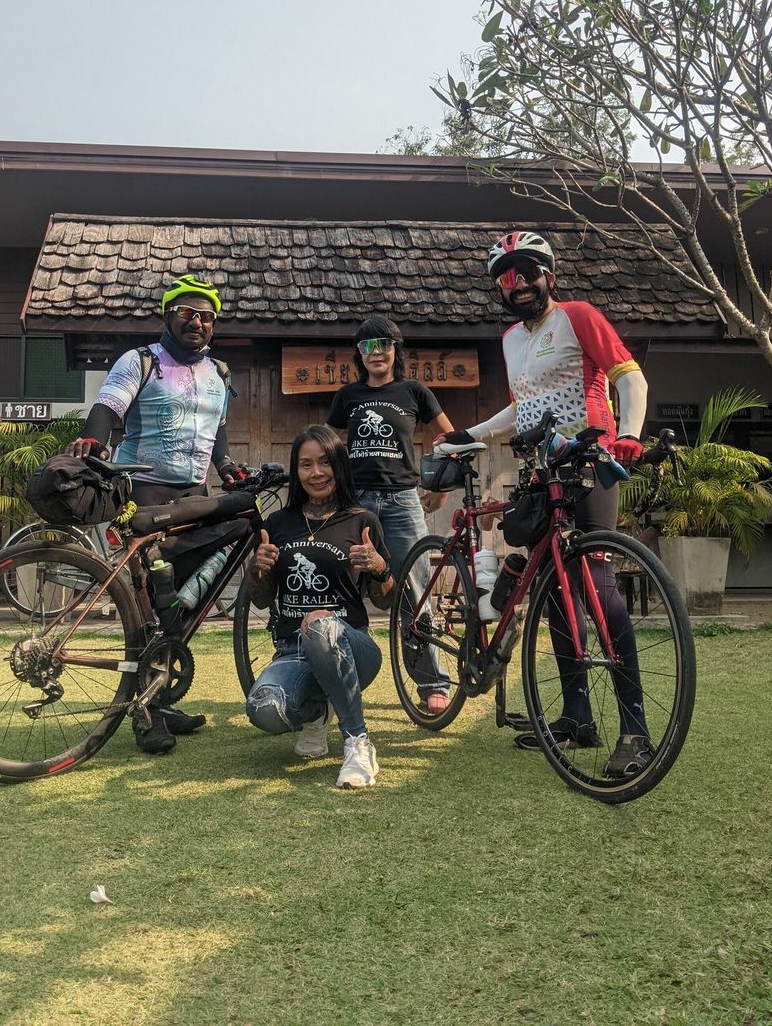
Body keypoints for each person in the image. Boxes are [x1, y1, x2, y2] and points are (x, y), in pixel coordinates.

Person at [438, 230, 652, 776]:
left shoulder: (577, 316)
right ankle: (577, 718)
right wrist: (472, 433)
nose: (519, 284)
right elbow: (522, 407)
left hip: (590, 463)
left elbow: (629, 375)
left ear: (549, 275)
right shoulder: (511, 340)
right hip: (541, 472)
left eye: (529, 271)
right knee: (554, 593)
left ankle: (636, 732)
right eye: (508, 277)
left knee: (597, 589)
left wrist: (629, 433)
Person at [67, 274, 246, 755]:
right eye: (187, 312)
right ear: (168, 316)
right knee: (153, 598)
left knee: (181, 603)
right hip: (143, 490)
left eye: (207, 316)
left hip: (195, 494)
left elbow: (217, 430)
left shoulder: (220, 373)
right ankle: (144, 713)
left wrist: (226, 466)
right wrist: (93, 440)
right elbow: (108, 407)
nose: (197, 322)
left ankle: (160, 698)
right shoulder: (141, 361)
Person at [244, 424, 394, 789]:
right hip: (292, 652)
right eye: (306, 464)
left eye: (325, 462)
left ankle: (358, 742)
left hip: (351, 647)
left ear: (339, 466)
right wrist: (257, 569)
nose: (316, 473)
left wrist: (380, 568)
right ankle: (318, 711)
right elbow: (261, 599)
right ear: (296, 471)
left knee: (321, 625)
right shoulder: (278, 523)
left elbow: (386, 599)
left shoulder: (361, 520)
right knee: (264, 709)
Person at [326, 316, 455, 712]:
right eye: (367, 346)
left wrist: (441, 486)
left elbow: (447, 438)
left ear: (396, 350)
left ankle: (432, 682)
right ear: (359, 354)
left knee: (414, 591)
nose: (376, 352)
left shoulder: (414, 391)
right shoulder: (348, 395)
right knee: (341, 588)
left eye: (383, 344)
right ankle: (334, 678)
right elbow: (326, 445)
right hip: (355, 503)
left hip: (403, 501)